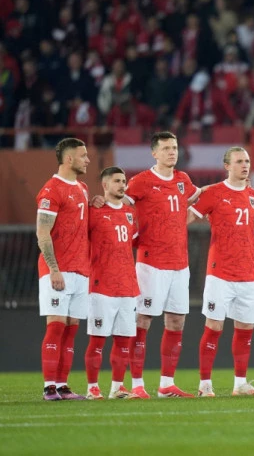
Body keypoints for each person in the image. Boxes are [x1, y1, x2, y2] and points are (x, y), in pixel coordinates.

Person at [188, 147, 254, 397]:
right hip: (220, 272)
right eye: (239, 161)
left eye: (247, 161)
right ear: (227, 166)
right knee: (214, 326)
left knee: (245, 328)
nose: (244, 165)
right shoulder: (214, 193)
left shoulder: (252, 194)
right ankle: (205, 385)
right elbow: (188, 218)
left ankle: (240, 384)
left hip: (248, 273)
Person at [124, 131, 202, 398]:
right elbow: (120, 204)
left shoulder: (183, 180)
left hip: (179, 263)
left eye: (175, 147)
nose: (172, 152)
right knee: (143, 320)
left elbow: (197, 198)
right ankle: (137, 385)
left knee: (176, 321)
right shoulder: (141, 181)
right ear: (154, 153)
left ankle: (167, 384)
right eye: (166, 148)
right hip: (151, 263)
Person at [37, 137, 91, 401]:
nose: (88, 160)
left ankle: (62, 385)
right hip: (58, 269)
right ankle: (49, 387)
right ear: (69, 159)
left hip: (81, 270)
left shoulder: (83, 188)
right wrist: (53, 269)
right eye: (83, 155)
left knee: (71, 329)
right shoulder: (51, 190)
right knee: (56, 327)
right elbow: (42, 232)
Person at [83, 167, 140, 400]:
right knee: (98, 339)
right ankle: (92, 388)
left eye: (124, 181)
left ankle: (117, 387)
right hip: (101, 285)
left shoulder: (130, 213)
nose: (122, 185)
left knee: (124, 340)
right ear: (105, 185)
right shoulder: (93, 212)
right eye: (117, 181)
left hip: (127, 285)